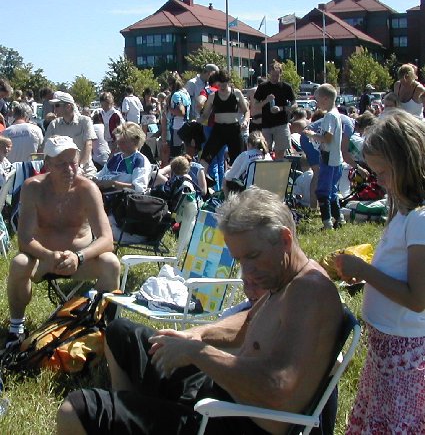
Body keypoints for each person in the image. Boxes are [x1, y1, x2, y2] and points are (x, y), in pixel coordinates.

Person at [57, 186, 343, 435]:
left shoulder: (309, 292)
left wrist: (198, 353)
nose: (247, 272)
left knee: (76, 409)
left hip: (228, 422)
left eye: (253, 256)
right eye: (240, 260)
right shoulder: (284, 279)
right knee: (122, 334)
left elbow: (277, 387)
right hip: (221, 393)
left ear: (285, 239)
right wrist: (196, 335)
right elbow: (249, 322)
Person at [335, 110, 425, 434]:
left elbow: (417, 299)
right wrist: (365, 272)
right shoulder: (403, 213)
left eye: (383, 173)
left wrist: (365, 271)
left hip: (405, 352)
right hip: (387, 346)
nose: (380, 181)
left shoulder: (419, 220)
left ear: (405, 162)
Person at [5, 136, 120, 347]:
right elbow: (24, 239)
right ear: (47, 164)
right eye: (61, 164)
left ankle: (99, 324)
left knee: (111, 263)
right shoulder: (33, 188)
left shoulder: (87, 189)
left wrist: (79, 257)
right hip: (43, 260)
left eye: (73, 163)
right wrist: (48, 255)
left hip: (81, 261)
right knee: (19, 263)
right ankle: (16, 327)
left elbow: (107, 239)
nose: (69, 169)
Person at [303, 84, 344, 229]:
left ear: (326, 99)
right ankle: (339, 219)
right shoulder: (336, 113)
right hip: (336, 159)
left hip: (329, 159)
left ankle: (327, 223)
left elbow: (327, 138)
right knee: (332, 191)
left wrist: (312, 135)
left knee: (322, 191)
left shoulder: (330, 116)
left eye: (318, 99)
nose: (317, 103)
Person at [199, 69, 249, 170]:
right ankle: (203, 177)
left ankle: (237, 179)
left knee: (238, 160)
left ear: (228, 82)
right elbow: (205, 115)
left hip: (234, 130)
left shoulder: (236, 93)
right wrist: (197, 121)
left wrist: (245, 121)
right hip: (218, 130)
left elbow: (246, 111)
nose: (222, 86)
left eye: (224, 83)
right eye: (220, 83)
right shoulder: (213, 96)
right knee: (205, 158)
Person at [44, 91, 98, 178]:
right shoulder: (53, 124)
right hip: (62, 173)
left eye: (57, 105)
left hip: (85, 171)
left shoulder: (85, 121)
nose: (54, 109)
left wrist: (80, 167)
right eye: (53, 106)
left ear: (68, 107)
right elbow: (46, 148)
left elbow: (88, 145)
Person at [254, 61, 296, 159]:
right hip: (267, 124)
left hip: (282, 123)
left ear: (280, 74)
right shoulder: (262, 87)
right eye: (272, 75)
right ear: (269, 74)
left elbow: (294, 104)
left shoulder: (286, 87)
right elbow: (256, 106)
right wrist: (266, 100)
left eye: (277, 75)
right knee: (264, 151)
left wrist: (282, 109)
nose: (274, 78)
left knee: (280, 151)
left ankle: (279, 166)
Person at [94, 122, 152, 193]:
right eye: (118, 142)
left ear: (135, 141)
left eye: (123, 142)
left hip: (121, 197)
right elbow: (99, 176)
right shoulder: (116, 158)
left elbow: (139, 189)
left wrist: (113, 184)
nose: (119, 145)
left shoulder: (139, 160)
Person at [222, 130, 271, 196]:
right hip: (267, 189)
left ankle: (228, 202)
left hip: (250, 190)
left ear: (249, 144)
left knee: (225, 178)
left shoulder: (245, 155)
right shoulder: (268, 155)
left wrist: (229, 171)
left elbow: (230, 177)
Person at [168, 73, 191, 158]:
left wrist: (169, 108)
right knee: (184, 153)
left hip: (177, 127)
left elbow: (181, 112)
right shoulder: (186, 93)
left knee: (176, 154)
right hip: (186, 125)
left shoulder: (176, 95)